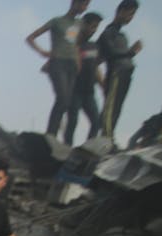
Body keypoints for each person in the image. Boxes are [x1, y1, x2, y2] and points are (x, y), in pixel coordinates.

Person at [27, 0, 91, 138]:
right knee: (62, 98)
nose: (84, 8)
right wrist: (42, 51)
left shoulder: (78, 24)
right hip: (58, 63)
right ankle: (50, 135)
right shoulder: (57, 21)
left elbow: (71, 42)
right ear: (74, 3)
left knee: (66, 102)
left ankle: (54, 136)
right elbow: (31, 37)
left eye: (87, 5)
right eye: (83, 4)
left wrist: (78, 61)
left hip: (72, 65)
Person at [98, 0, 142, 139]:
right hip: (115, 74)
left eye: (133, 15)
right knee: (110, 109)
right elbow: (110, 54)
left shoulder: (122, 35)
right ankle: (107, 137)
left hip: (125, 76)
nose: (131, 18)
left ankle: (109, 137)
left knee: (117, 108)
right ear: (121, 11)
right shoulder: (108, 33)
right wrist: (131, 52)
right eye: (130, 14)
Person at [65, 12, 104, 145]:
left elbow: (96, 68)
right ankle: (66, 148)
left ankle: (88, 148)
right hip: (74, 89)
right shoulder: (72, 41)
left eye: (96, 28)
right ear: (84, 25)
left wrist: (103, 85)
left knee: (97, 121)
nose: (94, 31)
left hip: (89, 91)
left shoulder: (93, 46)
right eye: (92, 27)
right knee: (72, 122)